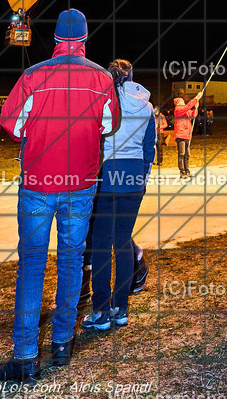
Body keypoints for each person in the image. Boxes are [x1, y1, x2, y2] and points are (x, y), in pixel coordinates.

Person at [0, 9, 119, 380]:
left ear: (55, 39)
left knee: (32, 265)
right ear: (84, 38)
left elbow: (11, 124)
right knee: (70, 261)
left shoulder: (33, 75)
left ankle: (25, 356)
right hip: (80, 185)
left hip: (37, 184)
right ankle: (63, 344)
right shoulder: (101, 77)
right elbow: (108, 125)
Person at [84, 60, 155, 331]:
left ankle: (101, 312)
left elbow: (94, 140)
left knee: (101, 243)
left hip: (108, 173)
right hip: (134, 175)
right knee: (123, 241)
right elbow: (149, 147)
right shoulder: (146, 105)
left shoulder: (103, 101)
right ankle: (121, 308)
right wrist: (143, 177)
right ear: (133, 76)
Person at [173, 90, 203, 179]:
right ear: (178, 103)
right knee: (181, 153)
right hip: (180, 134)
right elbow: (187, 107)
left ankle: (187, 171)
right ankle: (182, 172)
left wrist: (196, 108)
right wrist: (196, 98)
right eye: (182, 101)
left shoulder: (185, 111)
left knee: (187, 154)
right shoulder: (178, 110)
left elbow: (193, 115)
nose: (183, 102)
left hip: (187, 135)